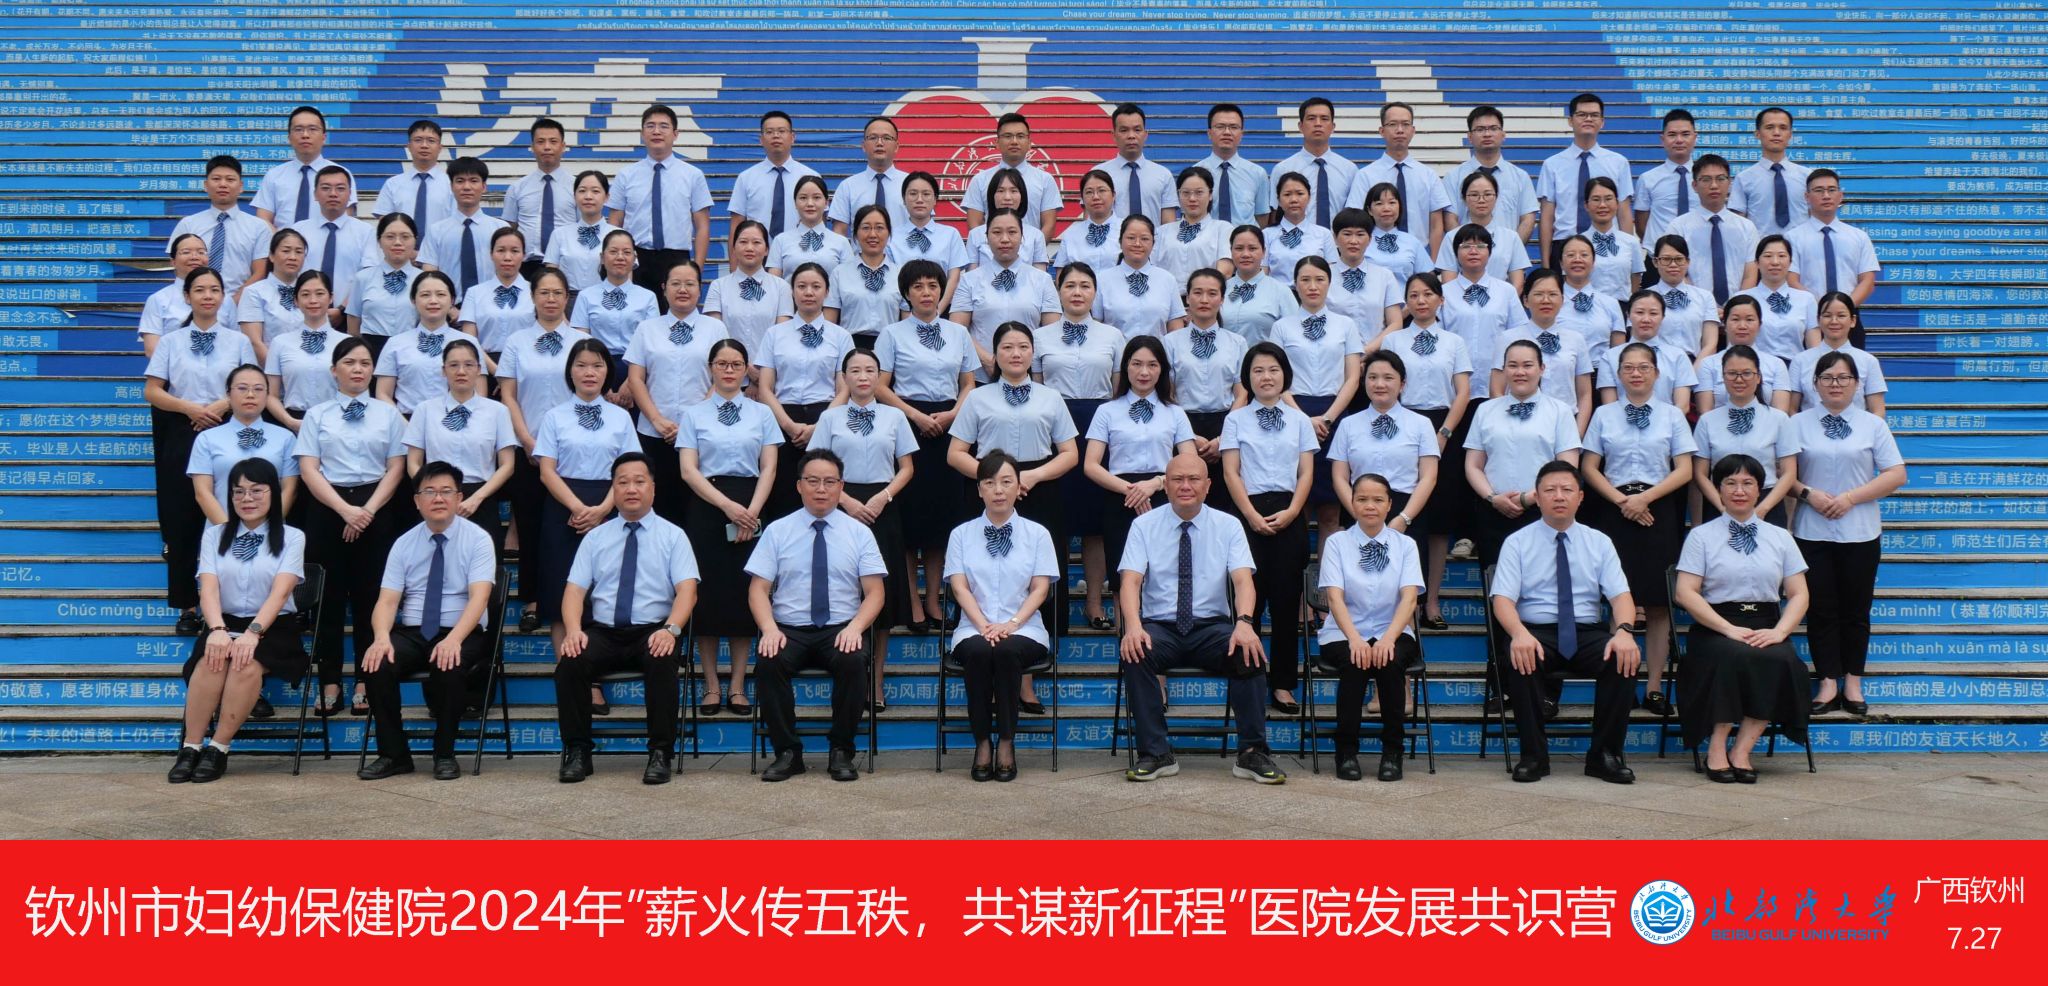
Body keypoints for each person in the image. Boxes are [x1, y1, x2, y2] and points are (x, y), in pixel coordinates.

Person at [1117, 452, 1283, 784]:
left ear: (1208, 486)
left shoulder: (1228, 525)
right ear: (1165, 486)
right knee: (1136, 651)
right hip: (1160, 628)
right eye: (1177, 479)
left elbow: (1243, 581)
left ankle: (1252, 753)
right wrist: (1133, 626)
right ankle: (1156, 753)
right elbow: (1130, 581)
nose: (1186, 486)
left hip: (1211, 627)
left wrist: (1245, 623)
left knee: (1247, 649)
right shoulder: (1143, 525)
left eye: (1194, 479)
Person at [1490, 461, 1641, 783]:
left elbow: (1620, 597)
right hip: (1536, 631)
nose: (1559, 496)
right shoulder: (1517, 542)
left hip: (1586, 632)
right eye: (1550, 490)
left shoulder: (1599, 541)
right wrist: (1518, 633)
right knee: (1520, 656)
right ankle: (1534, 756)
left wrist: (1625, 632)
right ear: (1538, 497)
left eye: (1567, 490)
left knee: (1623, 657)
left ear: (1580, 497)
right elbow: (1502, 599)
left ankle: (1605, 755)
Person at [553, 452, 699, 785]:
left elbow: (688, 591)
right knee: (570, 661)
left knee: (662, 659)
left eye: (639, 481)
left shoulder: (673, 536)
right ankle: (578, 752)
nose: (631, 489)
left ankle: (660, 752)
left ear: (653, 488)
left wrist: (671, 630)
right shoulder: (596, 537)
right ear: (614, 490)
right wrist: (573, 630)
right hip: (604, 632)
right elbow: (574, 591)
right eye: (623, 482)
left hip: (654, 630)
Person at [747, 449, 890, 782]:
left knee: (854, 660)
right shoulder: (778, 531)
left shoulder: (859, 533)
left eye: (829, 481)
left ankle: (841, 750)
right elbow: (757, 589)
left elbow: (875, 593)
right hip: (788, 629)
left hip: (841, 627)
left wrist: (856, 628)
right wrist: (769, 628)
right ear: (799, 486)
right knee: (769, 661)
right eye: (813, 481)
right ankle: (787, 752)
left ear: (841, 486)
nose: (821, 489)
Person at [1674, 453, 1813, 783]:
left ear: (1759, 489)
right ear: (1719, 490)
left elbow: (1799, 594)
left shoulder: (1780, 537)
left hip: (1767, 625)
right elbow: (1685, 593)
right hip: (1715, 626)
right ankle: (1717, 747)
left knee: (1782, 659)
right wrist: (1727, 628)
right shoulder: (1701, 536)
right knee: (1733, 655)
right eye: (1731, 483)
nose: (1739, 490)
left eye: (1748, 483)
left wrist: (1780, 631)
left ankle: (1742, 750)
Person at [167, 458, 307, 784]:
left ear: (273, 494)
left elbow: (281, 592)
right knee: (211, 660)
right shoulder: (215, 535)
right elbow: (208, 589)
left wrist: (253, 632)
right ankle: (190, 747)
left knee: (245, 664)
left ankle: (218, 748)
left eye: (257, 490)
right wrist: (217, 629)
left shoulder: (293, 537)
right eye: (238, 491)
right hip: (224, 620)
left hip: (273, 625)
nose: (247, 498)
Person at [356, 461, 498, 781]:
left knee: (449, 663)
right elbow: (387, 601)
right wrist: (381, 637)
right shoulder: (404, 543)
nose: (438, 498)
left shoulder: (478, 539)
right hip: (414, 630)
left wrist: (454, 639)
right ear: (416, 501)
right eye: (429, 491)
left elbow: (479, 599)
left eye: (446, 491)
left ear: (459, 498)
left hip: (462, 630)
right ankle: (394, 754)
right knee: (377, 664)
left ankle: (444, 754)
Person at [1786, 351, 1907, 717]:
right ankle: (1827, 681)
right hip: (1812, 529)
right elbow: (1784, 474)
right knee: (1820, 608)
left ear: (1856, 384)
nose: (1835, 384)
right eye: (1827, 378)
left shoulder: (1872, 425)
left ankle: (1853, 681)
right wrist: (1809, 494)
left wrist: (1851, 498)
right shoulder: (1797, 423)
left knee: (1856, 610)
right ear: (1815, 384)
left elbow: (1896, 474)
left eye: (1843, 378)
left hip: (1860, 531)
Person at [1581, 342, 1697, 717]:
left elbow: (1684, 469)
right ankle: (1623, 683)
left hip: (1658, 507)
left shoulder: (1672, 415)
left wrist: (1644, 499)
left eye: (1643, 367)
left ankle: (1655, 687)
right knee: (1619, 597)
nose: (1636, 374)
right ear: (1618, 374)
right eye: (1628, 368)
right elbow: (1589, 467)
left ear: (1657, 374)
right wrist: (1623, 501)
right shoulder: (1604, 414)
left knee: (1659, 603)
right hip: (1614, 507)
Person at [947, 322, 1079, 647]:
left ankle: (1036, 644)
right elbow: (956, 453)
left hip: (1040, 485)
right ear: (994, 355)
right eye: (1007, 347)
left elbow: (1070, 453)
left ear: (1033, 352)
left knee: (1038, 568)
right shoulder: (977, 397)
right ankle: (982, 633)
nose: (1015, 353)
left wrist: (1030, 477)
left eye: (1023, 347)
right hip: (989, 488)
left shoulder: (1051, 397)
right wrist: (995, 479)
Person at [294, 337, 407, 718]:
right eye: (349, 362)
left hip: (377, 506)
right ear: (334, 370)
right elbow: (309, 468)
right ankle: (329, 681)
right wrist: (345, 510)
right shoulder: (317, 415)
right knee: (327, 598)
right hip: (328, 507)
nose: (358, 369)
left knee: (370, 596)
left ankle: (364, 679)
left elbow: (396, 467)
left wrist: (367, 511)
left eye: (365, 363)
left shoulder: (388, 414)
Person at [146, 267, 257, 636]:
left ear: (223, 297)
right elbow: (153, 391)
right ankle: (187, 606)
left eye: (214, 290)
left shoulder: (238, 341)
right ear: (187, 296)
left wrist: (222, 405)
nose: (208, 296)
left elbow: (251, 385)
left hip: (228, 428)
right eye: (200, 290)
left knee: (231, 512)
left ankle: (230, 604)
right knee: (182, 518)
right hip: (184, 429)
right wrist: (190, 408)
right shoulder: (170, 342)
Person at [676, 338, 781, 717]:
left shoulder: (762, 413)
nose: (729, 370)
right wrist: (726, 506)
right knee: (706, 595)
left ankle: (737, 685)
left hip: (751, 504)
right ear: (711, 368)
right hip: (708, 506)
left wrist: (750, 511)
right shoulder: (694, 415)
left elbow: (769, 466)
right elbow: (688, 470)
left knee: (743, 593)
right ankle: (710, 685)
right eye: (721, 363)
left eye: (736, 364)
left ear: (746, 369)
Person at [809, 349, 916, 711]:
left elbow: (906, 467)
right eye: (855, 370)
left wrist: (882, 498)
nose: (863, 376)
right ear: (845, 378)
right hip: (839, 504)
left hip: (883, 505)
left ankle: (876, 681)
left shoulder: (894, 416)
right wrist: (845, 501)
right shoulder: (830, 418)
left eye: (870, 370)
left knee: (881, 594)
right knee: (846, 589)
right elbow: (815, 466)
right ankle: (847, 675)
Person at [874, 260, 977, 633]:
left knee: (941, 520)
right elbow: (880, 385)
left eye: (933, 285)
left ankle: (934, 599)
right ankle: (913, 602)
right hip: (907, 423)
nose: (926, 292)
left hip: (950, 425)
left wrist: (953, 414)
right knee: (911, 519)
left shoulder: (957, 333)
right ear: (906, 293)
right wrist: (915, 416)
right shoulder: (892, 334)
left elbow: (969, 383)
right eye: (917, 286)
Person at [946, 452, 1060, 781]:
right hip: (973, 628)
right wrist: (985, 626)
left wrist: (1010, 624)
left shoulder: (1037, 534)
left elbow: (1040, 589)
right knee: (981, 651)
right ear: (979, 489)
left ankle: (1007, 742)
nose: (998, 490)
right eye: (990, 482)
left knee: (1007, 650)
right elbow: (959, 588)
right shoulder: (961, 535)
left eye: (1006, 482)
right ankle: (982, 742)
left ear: (1018, 487)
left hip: (1025, 629)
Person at [1219, 343, 1316, 714]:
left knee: (1287, 605)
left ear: (1285, 375)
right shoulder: (1235, 420)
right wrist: (1250, 515)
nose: (1266, 377)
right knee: (1249, 604)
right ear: (1248, 377)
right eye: (1258, 370)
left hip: (1290, 512)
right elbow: (1231, 472)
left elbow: (1306, 472)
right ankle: (1249, 681)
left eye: (1273, 369)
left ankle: (1284, 685)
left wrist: (1293, 511)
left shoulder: (1299, 420)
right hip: (1248, 513)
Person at [532, 340, 638, 661]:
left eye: (597, 366)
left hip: (611, 505)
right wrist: (579, 509)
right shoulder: (554, 416)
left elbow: (630, 470)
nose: (589, 372)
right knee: (560, 589)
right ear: (570, 372)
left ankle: (592, 673)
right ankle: (567, 671)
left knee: (601, 590)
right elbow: (547, 471)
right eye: (581, 365)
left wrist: (604, 509)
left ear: (608, 372)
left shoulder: (621, 418)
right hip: (564, 507)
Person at [497, 270, 592, 630]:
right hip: (530, 448)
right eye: (544, 293)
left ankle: (579, 601)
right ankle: (534, 600)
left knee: (571, 526)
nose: (551, 299)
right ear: (533, 297)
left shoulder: (582, 342)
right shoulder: (517, 342)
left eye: (558, 293)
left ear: (567, 297)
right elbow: (508, 395)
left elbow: (590, 391)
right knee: (532, 525)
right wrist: (526, 439)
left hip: (575, 450)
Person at [1318, 472, 1425, 781]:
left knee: (1389, 661)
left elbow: (1409, 599)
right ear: (1352, 503)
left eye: (1378, 500)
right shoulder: (1337, 543)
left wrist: (1388, 638)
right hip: (1343, 632)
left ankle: (1393, 752)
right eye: (1362, 499)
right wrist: (1355, 640)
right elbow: (1334, 598)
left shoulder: (1405, 545)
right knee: (1357, 661)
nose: (1370, 506)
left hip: (1394, 630)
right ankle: (1345, 752)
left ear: (1389, 505)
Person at [1085, 335, 1197, 625]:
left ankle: (1163, 640)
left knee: (1162, 573)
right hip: (1120, 497)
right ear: (1126, 367)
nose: (1144, 372)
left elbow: (1190, 461)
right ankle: (1127, 639)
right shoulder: (1107, 411)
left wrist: (1155, 484)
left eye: (1152, 365)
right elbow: (1091, 465)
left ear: (1162, 370)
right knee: (1123, 574)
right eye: (1136, 364)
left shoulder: (1175, 413)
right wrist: (1131, 490)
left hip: (1165, 496)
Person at [1041, 262, 1130, 626]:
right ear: (1058, 291)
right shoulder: (1039, 336)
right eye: (1070, 285)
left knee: (1095, 522)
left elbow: (1117, 388)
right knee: (1056, 519)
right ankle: (1055, 606)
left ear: (1095, 292)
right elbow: (1037, 387)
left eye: (1085, 286)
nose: (1077, 292)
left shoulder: (1113, 336)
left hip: (1098, 425)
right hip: (1054, 427)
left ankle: (1095, 603)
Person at [1379, 275, 1470, 622]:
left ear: (1440, 300)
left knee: (1438, 522)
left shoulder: (1454, 341)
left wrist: (1444, 432)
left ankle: (1430, 601)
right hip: (1400, 424)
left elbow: (1462, 391)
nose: (1420, 301)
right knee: (1404, 512)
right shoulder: (1394, 339)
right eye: (1413, 295)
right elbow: (1386, 383)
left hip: (1443, 425)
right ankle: (1399, 603)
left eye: (1428, 294)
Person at [1330, 351, 1441, 624]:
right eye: (1373, 377)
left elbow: (1428, 477)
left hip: (1406, 511)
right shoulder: (1348, 424)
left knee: (1406, 594)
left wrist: (1403, 519)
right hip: (1359, 509)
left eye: (1388, 378)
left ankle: (1403, 643)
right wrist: (1360, 514)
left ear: (1402, 384)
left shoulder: (1421, 424)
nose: (1380, 384)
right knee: (1357, 587)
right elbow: (1340, 476)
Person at [1267, 256, 1364, 537]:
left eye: (1319, 279)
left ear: (1329, 283)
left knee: (1330, 509)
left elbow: (1353, 378)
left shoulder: (1345, 325)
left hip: (1334, 413)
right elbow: (1276, 377)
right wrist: (1303, 419)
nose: (1312, 286)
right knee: (1295, 504)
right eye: (1305, 280)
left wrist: (1328, 418)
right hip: (1292, 411)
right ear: (1295, 285)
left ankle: (1328, 568)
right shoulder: (1282, 327)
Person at [1464, 340, 1582, 565]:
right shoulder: (1485, 410)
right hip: (1494, 510)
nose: (1520, 372)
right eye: (1513, 365)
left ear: (1542, 369)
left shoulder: (1560, 411)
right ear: (1503, 370)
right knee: (1496, 577)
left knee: (1543, 578)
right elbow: (1473, 465)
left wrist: (1528, 498)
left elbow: (1568, 468)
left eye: (1527, 365)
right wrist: (1493, 498)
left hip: (1544, 510)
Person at [758, 263, 856, 519]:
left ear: (827, 292)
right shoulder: (774, 334)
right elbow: (765, 387)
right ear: (792, 291)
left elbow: (844, 388)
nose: (808, 292)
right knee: (783, 496)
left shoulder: (841, 336)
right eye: (801, 286)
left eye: (816, 286)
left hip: (825, 417)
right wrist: (789, 426)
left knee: (823, 494)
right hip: (782, 420)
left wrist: (819, 426)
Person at [401, 339, 516, 548]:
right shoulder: (425, 410)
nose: (461, 371)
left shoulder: (497, 411)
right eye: (453, 365)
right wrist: (432, 493)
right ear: (443, 370)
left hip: (481, 499)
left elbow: (507, 465)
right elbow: (413, 462)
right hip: (435, 499)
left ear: (479, 370)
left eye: (469, 365)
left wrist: (476, 498)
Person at [1161, 269, 1247, 511]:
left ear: (1222, 299)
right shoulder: (1170, 342)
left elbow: (1242, 393)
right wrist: (1188, 436)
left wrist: (1224, 437)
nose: (1204, 300)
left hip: (1226, 424)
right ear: (1187, 298)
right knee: (1185, 498)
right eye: (1197, 293)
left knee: (1224, 503)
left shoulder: (1237, 342)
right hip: (1183, 424)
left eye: (1212, 293)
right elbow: (1167, 392)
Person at [606, 105, 712, 301]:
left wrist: (697, 268)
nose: (656, 131)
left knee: (675, 314)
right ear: (642, 134)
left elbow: (703, 226)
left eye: (664, 126)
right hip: (635, 259)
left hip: (677, 258)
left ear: (675, 134)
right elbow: (614, 222)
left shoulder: (693, 175)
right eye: (650, 126)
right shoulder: (626, 175)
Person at [1693, 344, 1801, 526]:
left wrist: (1762, 509)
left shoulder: (1779, 419)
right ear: (1723, 377)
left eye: (1747, 373)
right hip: (1719, 504)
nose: (1739, 379)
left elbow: (1789, 473)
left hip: (1767, 504)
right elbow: (1700, 473)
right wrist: (1722, 508)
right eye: (1732, 373)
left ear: (1758, 377)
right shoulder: (1707, 421)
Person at [190, 365, 299, 531]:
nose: (250, 395)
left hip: (271, 532)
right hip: (221, 531)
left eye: (258, 389)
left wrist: (265, 530)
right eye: (242, 388)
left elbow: (290, 490)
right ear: (228, 394)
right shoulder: (207, 438)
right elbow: (203, 493)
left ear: (267, 395)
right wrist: (229, 532)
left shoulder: (286, 438)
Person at [952, 211, 1060, 378]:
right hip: (981, 375)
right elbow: (957, 329)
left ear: (1022, 237)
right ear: (986, 238)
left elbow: (1052, 331)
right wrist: (988, 360)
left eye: (1012, 232)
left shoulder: (1042, 280)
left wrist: (1025, 361)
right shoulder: (969, 280)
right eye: (996, 232)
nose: (1004, 239)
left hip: (1029, 375)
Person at [1492, 269, 1594, 432]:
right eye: (1538, 294)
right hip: (1518, 423)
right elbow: (1497, 390)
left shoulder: (1576, 339)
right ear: (1526, 300)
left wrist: (1577, 434)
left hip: (1565, 424)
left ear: (1562, 300)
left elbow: (1585, 394)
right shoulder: (1507, 338)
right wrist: (1510, 426)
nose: (1546, 300)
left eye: (1553, 294)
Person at [1537, 93, 1633, 266]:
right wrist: (1545, 264)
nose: (1588, 119)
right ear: (1570, 121)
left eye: (1594, 115)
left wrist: (1628, 255)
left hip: (1607, 243)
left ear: (1602, 122)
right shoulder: (1552, 164)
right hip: (1565, 244)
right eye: (1582, 114)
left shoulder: (1618, 163)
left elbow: (1624, 212)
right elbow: (1547, 216)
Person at [1439, 224, 1530, 401]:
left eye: (1481, 246)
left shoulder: (1506, 291)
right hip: (1454, 387)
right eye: (1466, 246)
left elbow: (1519, 335)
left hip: (1498, 386)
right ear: (1456, 253)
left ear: (1490, 252)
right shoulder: (1443, 294)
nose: (1473, 251)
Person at [167, 155, 269, 304]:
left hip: (241, 305)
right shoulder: (188, 224)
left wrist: (231, 304)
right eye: (216, 179)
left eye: (230, 179)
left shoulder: (258, 227)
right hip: (194, 305)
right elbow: (179, 268)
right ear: (206, 185)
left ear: (241, 186)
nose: (223, 184)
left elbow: (260, 272)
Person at [1353, 102, 1452, 253]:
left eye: (1405, 124)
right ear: (1382, 131)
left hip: (1419, 255)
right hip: (1377, 255)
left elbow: (1436, 225)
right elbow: (1357, 218)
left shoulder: (1428, 175)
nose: (1400, 130)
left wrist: (1432, 262)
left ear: (1413, 130)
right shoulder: (1365, 175)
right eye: (1393, 124)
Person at [570, 230, 660, 392]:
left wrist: (632, 382)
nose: (620, 257)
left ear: (634, 258)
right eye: (613, 252)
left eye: (626, 252)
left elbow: (651, 344)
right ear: (602, 258)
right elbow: (580, 342)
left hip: (637, 370)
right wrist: (602, 385)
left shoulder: (648, 297)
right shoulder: (586, 296)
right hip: (596, 370)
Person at [261, 271, 352, 431]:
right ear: (296, 300)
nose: (313, 300)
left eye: (320, 293)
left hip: (337, 424)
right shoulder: (280, 343)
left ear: (331, 298)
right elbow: (271, 395)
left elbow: (355, 391)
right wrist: (290, 422)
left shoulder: (347, 343)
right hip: (293, 423)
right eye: (305, 294)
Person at [1665, 154, 1757, 307]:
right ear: (1694, 185)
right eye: (1706, 179)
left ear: (1730, 183)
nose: (1714, 185)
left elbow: (1750, 274)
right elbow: (1678, 273)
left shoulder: (1746, 227)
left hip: (1737, 312)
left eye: (1720, 179)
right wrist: (1704, 306)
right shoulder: (1678, 227)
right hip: (1693, 308)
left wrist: (1735, 308)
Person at [374, 271, 468, 417]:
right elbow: (383, 393)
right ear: (413, 300)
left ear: (452, 300)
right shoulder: (395, 344)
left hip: (455, 420)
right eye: (425, 295)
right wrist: (404, 425)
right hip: (406, 421)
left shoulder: (468, 343)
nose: (433, 301)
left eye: (441, 294)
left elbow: (479, 393)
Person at [1784, 169, 1880, 311]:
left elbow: (1867, 280)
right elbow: (1791, 280)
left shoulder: (1859, 237)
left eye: (1831, 190)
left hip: (1849, 314)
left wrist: (1843, 309)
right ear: (1807, 197)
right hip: (1808, 314)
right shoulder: (1792, 238)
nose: (1826, 196)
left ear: (1840, 196)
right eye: (1819, 190)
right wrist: (1821, 310)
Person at [1442, 105, 1539, 242]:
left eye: (1493, 128)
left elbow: (1527, 220)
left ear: (1503, 135)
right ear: (1469, 137)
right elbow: (1450, 219)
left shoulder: (1520, 177)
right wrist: (1467, 248)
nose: (1487, 134)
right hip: (1467, 252)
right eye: (1480, 129)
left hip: (1509, 253)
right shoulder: (1453, 177)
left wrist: (1511, 250)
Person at [418, 157, 509, 300]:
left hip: (492, 305)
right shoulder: (436, 231)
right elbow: (429, 275)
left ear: (484, 187)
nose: (466, 187)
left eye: (473, 181)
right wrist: (448, 308)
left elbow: (510, 273)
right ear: (451, 186)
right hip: (449, 307)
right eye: (460, 181)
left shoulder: (500, 229)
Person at [961, 113, 1063, 238]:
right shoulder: (980, 180)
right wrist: (991, 248)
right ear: (997, 142)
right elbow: (974, 224)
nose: (1014, 141)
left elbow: (1049, 225)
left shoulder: (1045, 180)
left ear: (1029, 143)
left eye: (1020, 136)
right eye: (1008, 136)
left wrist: (1032, 248)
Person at [286, 166, 372, 313]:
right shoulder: (298, 231)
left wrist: (342, 309)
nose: (333, 194)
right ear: (315, 194)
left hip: (349, 314)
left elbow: (368, 276)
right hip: (302, 314)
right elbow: (288, 273)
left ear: (350, 194)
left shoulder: (365, 231)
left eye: (340, 188)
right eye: (326, 188)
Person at [703, 219, 794, 354]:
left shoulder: (781, 287)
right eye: (743, 242)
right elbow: (714, 335)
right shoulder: (718, 286)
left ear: (767, 250)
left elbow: (783, 336)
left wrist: (762, 364)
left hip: (769, 365)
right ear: (733, 248)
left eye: (756, 242)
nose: (749, 248)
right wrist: (738, 362)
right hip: (728, 364)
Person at [142, 235, 241, 359]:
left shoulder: (225, 300)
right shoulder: (158, 300)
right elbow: (152, 350)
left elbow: (236, 345)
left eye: (201, 252)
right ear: (173, 261)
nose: (195, 257)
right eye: (186, 252)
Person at [252, 106, 353, 227]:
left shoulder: (341, 175)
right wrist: (281, 239)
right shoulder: (274, 175)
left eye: (312, 129)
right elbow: (263, 219)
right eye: (298, 129)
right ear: (289, 138)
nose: (305, 135)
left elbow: (346, 221)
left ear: (324, 138)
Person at [1787, 292, 1887, 414]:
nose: (1834, 321)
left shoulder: (1868, 361)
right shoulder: (1800, 360)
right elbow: (1791, 409)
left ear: (1853, 320)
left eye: (1841, 315)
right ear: (1818, 320)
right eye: (1827, 315)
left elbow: (1877, 410)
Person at [879, 172, 971, 305]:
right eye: (913, 194)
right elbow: (890, 279)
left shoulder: (950, 234)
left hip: (942, 309)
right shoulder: (891, 237)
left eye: (926, 194)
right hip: (902, 310)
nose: (919, 200)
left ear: (935, 199)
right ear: (904, 199)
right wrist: (907, 311)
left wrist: (938, 310)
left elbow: (954, 278)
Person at [727, 110, 819, 242]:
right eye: (769, 132)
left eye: (781, 131)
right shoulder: (746, 178)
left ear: (793, 137)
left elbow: (819, 223)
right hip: (757, 251)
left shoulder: (811, 177)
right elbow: (736, 226)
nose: (776, 136)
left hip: (800, 250)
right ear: (761, 139)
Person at [500, 118, 576, 279]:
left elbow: (582, 228)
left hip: (566, 264)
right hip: (527, 267)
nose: (547, 147)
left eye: (553, 141)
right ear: (532, 147)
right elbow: (509, 230)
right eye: (541, 142)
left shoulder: (578, 187)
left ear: (563, 146)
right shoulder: (517, 188)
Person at [1595, 290, 1698, 408]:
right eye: (1639, 312)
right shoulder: (1610, 356)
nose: (1646, 319)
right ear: (1628, 315)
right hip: (1620, 419)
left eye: (1653, 313)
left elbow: (1682, 405)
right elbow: (1609, 406)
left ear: (1663, 317)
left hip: (1668, 419)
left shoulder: (1677, 356)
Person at [1433, 171, 1530, 291]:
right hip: (1460, 300)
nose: (1481, 200)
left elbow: (1518, 283)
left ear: (1496, 197)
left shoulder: (1511, 237)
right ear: (1464, 198)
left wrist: (1502, 300)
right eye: (1474, 195)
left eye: (1488, 194)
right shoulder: (1451, 237)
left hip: (1502, 300)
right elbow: (1449, 283)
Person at [1694, 295, 1791, 414]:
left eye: (1749, 320)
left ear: (1760, 325)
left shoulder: (1776, 364)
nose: (1742, 326)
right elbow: (1705, 412)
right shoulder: (1708, 364)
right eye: (1735, 319)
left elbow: (1780, 413)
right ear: (1724, 324)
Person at [1095, 215, 1186, 339]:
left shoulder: (1167, 279)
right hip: (1116, 350)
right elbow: (1096, 324)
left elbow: (1175, 328)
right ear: (1120, 241)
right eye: (1131, 238)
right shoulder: (1102, 280)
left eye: (1144, 238)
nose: (1137, 244)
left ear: (1153, 244)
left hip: (1158, 350)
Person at [348, 213, 424, 361]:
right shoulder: (363, 278)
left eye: (405, 237)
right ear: (379, 241)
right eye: (390, 237)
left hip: (412, 353)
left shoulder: (424, 280)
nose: (398, 242)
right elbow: (353, 326)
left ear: (415, 240)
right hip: (371, 353)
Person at [825, 204, 904, 347]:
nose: (872, 234)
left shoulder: (900, 275)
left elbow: (906, 323)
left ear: (889, 233)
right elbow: (829, 323)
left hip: (889, 347)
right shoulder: (840, 273)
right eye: (866, 228)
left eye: (879, 228)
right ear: (855, 233)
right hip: (850, 347)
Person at [1272, 97, 1356, 229]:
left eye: (1324, 118)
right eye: (1311, 118)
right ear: (1300, 126)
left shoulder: (1349, 170)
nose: (1318, 124)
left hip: (1336, 240)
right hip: (1295, 239)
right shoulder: (1283, 169)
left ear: (1333, 127)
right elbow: (1274, 215)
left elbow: (1355, 215)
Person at [1736, 234, 1818, 362]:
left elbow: (1814, 347)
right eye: (1768, 256)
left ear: (1790, 263)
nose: (1775, 262)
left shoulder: (1806, 299)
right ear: (1757, 263)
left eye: (1781, 256)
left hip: (1794, 366)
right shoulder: (1742, 299)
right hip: (1754, 367)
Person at [1731, 106, 1811, 235]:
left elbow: (1816, 217)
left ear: (1790, 134)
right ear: (1757, 134)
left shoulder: (1807, 177)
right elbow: (1738, 223)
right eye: (1769, 127)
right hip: (1760, 246)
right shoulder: (1744, 178)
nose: (1776, 133)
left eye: (1783, 128)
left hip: (1800, 246)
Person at [454, 227, 533, 358]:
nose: (507, 257)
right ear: (491, 254)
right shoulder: (474, 293)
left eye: (515, 251)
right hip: (485, 362)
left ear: (523, 255)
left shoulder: (535, 292)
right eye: (501, 250)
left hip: (527, 361)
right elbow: (470, 341)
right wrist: (493, 367)